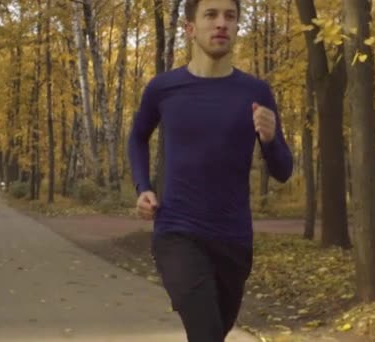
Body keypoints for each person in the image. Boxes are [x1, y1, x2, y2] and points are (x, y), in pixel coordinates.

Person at [127, 0, 293, 340]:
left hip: (234, 239)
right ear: (190, 28)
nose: (221, 24)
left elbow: (283, 170)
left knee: (215, 332)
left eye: (230, 17)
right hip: (177, 232)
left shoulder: (256, 92)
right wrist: (143, 187)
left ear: (236, 28)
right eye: (211, 15)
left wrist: (272, 138)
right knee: (205, 333)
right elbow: (138, 137)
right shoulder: (163, 88)